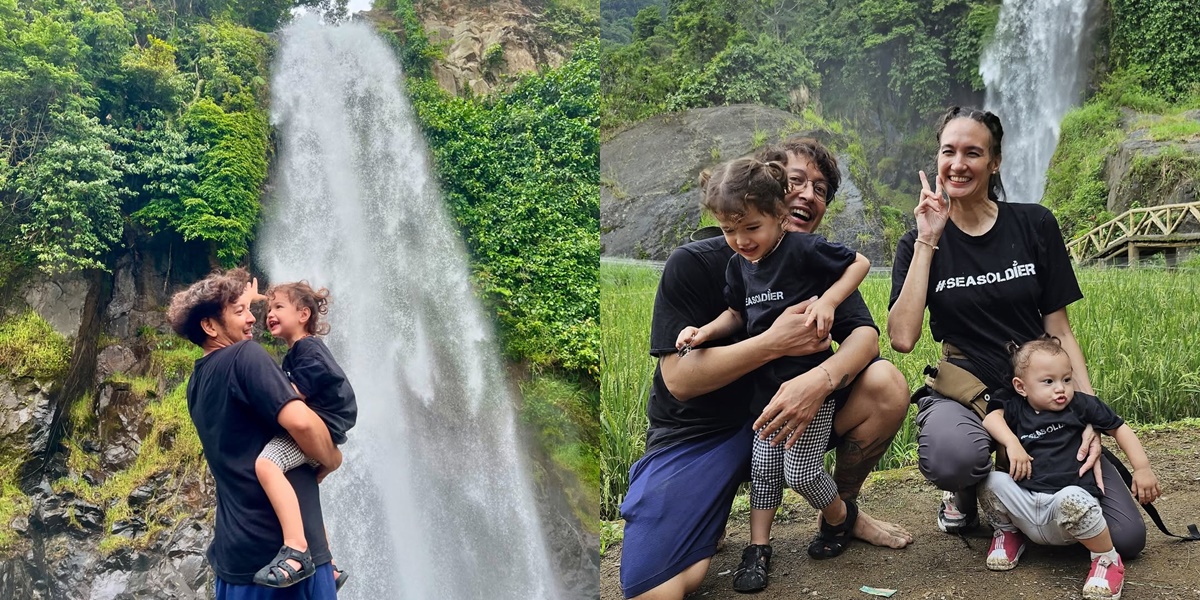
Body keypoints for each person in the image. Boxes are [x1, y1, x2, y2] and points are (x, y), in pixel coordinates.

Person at [618, 138, 912, 600]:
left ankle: (840, 512)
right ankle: (697, 507)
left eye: (820, 189)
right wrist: (772, 343)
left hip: (789, 413)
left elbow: (865, 337)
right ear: (767, 187)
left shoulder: (810, 260)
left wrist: (819, 381)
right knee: (659, 588)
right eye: (795, 181)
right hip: (700, 434)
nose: (806, 195)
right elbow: (679, 380)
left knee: (886, 383)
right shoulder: (702, 263)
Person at [886, 106, 1146, 556]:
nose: (958, 163)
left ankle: (1018, 500)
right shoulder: (918, 243)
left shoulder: (1034, 224)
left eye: (973, 152)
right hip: (968, 390)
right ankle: (970, 491)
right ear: (937, 158)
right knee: (955, 457)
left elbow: (1059, 329)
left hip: (1038, 392)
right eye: (949, 151)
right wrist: (928, 238)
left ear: (995, 162)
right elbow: (903, 338)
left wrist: (1086, 412)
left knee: (1125, 538)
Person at [674, 157, 871, 593]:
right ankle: (758, 548)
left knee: (799, 473)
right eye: (729, 231)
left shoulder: (802, 250)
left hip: (809, 388)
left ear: (780, 215)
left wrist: (829, 302)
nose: (740, 240)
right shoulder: (738, 265)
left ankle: (840, 519)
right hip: (767, 392)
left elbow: (858, 263)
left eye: (751, 228)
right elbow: (735, 314)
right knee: (764, 469)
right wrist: (703, 332)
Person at [167, 268, 340, 599]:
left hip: (236, 561)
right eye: (240, 312)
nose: (253, 320)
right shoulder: (244, 357)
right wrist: (332, 457)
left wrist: (240, 298)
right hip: (285, 564)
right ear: (209, 325)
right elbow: (302, 423)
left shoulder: (196, 383)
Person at [979, 336, 1159, 600]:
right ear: (1021, 387)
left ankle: (1106, 560)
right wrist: (1012, 442)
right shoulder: (1017, 408)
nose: (1060, 389)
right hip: (1028, 503)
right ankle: (1008, 534)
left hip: (1066, 509)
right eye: (1048, 382)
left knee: (1072, 498)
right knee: (991, 481)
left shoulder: (1081, 406)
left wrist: (1142, 468)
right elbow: (991, 418)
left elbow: (1119, 428)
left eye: (1066, 379)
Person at [253, 282, 357, 590]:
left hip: (323, 422)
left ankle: (296, 549)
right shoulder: (297, 352)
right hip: (326, 424)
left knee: (267, 464)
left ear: (303, 314)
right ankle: (331, 565)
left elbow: (294, 397)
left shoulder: (308, 348)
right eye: (268, 309)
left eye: (278, 308)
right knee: (302, 487)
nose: (270, 314)